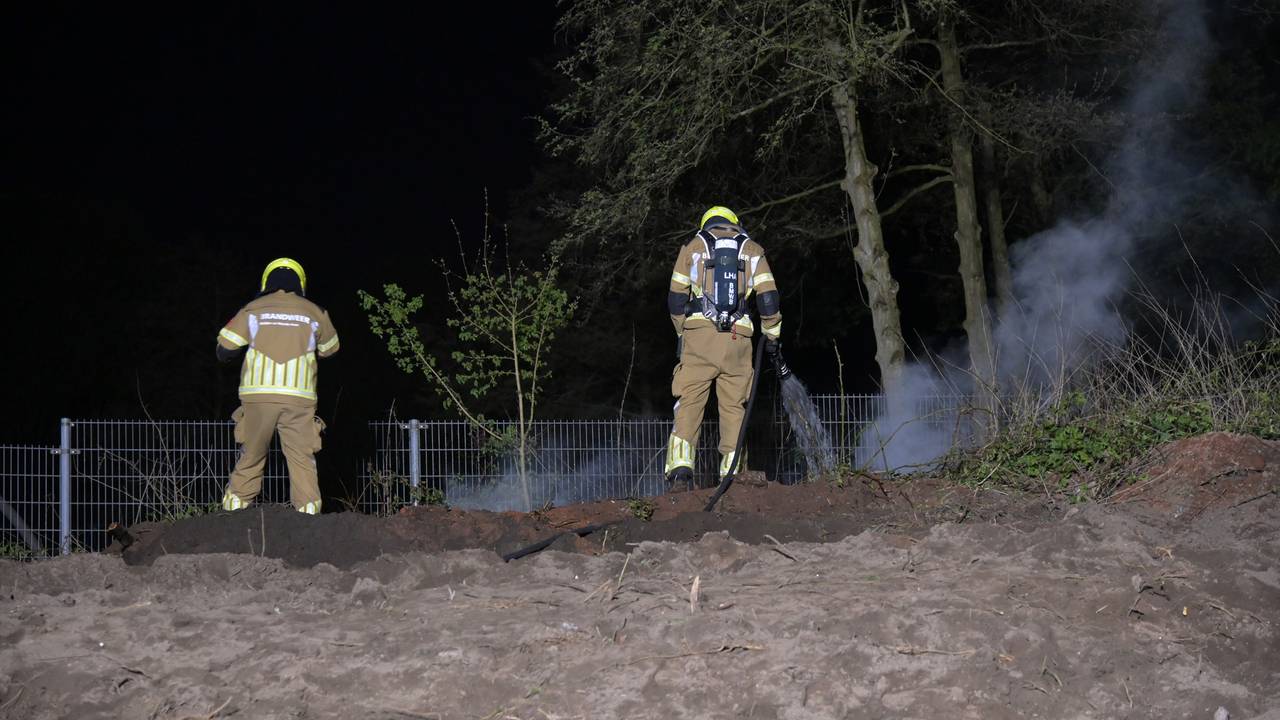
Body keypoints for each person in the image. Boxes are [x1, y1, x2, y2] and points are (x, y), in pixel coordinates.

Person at [664, 206, 782, 489]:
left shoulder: (692, 246)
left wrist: (683, 332)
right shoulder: (753, 250)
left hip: (699, 338)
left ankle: (680, 472)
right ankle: (733, 477)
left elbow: (676, 298)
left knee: (689, 401)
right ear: (734, 223)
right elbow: (768, 298)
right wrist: (772, 335)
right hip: (738, 341)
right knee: (734, 408)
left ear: (706, 224)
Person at [215, 258, 339, 514]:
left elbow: (224, 349)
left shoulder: (252, 309)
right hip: (299, 399)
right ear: (301, 283)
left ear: (266, 282)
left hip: (258, 396)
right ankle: (308, 519)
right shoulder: (316, 312)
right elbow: (331, 349)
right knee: (302, 461)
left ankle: (233, 514)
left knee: (251, 457)